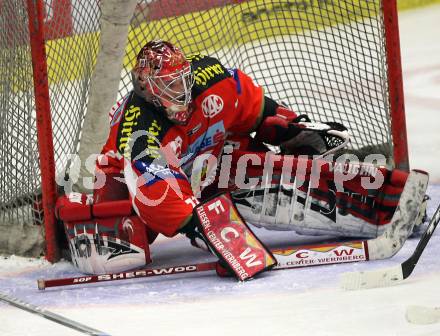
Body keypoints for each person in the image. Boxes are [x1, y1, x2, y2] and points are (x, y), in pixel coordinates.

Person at [57, 40, 421, 278]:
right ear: (147, 90)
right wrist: (196, 225)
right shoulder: (140, 128)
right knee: (127, 246)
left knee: (266, 174)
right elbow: (150, 188)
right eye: (168, 87)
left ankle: (385, 203)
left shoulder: (210, 77)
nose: (180, 92)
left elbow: (254, 106)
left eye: (182, 81)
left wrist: (288, 126)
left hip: (205, 166)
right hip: (131, 192)